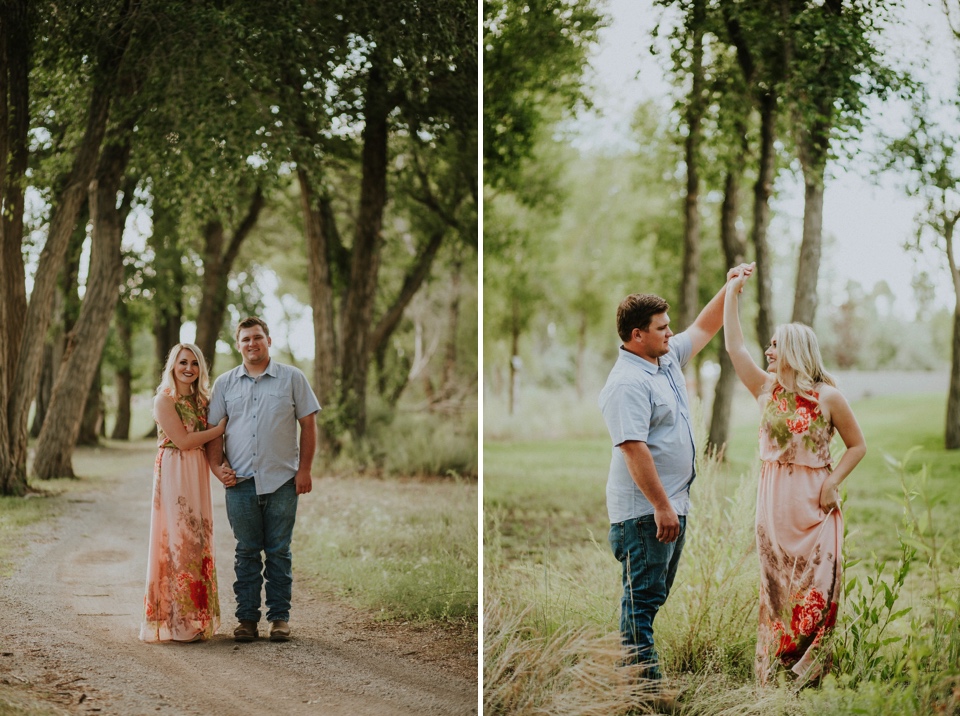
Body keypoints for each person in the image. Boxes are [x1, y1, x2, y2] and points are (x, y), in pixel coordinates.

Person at [598, 264, 754, 682]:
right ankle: (643, 697)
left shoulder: (664, 360)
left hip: (671, 505)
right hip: (645, 513)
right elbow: (634, 450)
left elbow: (706, 325)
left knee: (650, 598)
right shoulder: (627, 384)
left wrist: (731, 285)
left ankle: (628, 684)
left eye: (669, 327)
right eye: (662, 328)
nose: (671, 333)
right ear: (637, 335)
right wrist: (661, 507)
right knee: (641, 605)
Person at [723, 265, 866, 684]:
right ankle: (776, 679)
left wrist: (832, 481)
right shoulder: (767, 390)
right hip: (773, 507)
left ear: (794, 350)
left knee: (817, 594)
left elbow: (858, 445)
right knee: (776, 593)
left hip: (814, 508)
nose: (767, 351)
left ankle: (811, 677)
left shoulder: (829, 397)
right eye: (767, 345)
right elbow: (734, 348)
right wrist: (733, 292)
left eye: (774, 345)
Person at [206, 316, 321, 643]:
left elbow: (309, 426)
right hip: (239, 483)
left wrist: (305, 470)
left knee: (279, 551)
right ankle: (246, 620)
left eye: (257, 337)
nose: (252, 344)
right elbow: (215, 431)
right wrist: (217, 467)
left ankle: (279, 619)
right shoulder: (225, 384)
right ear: (238, 344)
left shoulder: (292, 378)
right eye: (245, 339)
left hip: (283, 481)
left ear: (268, 340)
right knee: (246, 552)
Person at [141, 343, 227, 643]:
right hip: (175, 470)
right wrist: (218, 430)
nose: (188, 368)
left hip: (197, 472)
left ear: (200, 368)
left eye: (194, 363)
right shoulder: (164, 400)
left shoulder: (203, 400)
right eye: (182, 363)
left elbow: (204, 444)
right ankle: (175, 623)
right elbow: (183, 440)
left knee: (198, 539)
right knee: (178, 540)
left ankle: (196, 619)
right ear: (172, 367)